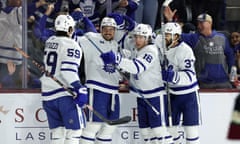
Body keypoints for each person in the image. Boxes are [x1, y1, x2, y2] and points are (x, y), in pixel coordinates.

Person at [100, 23, 173, 144]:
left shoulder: (151, 51)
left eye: (141, 37)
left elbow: (137, 67)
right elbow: (128, 57)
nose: (138, 40)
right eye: (136, 37)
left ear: (148, 38)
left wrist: (117, 59)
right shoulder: (135, 49)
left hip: (154, 96)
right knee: (145, 131)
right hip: (141, 96)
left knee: (159, 131)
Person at [40, 14, 88, 144]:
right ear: (71, 30)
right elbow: (68, 71)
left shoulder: (50, 41)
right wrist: (79, 88)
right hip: (64, 95)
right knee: (74, 132)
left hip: (47, 94)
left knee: (58, 133)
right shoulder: (72, 45)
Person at [164, 7, 235, 89]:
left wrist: (233, 72)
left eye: (202, 23)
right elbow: (175, 36)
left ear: (210, 23)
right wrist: (170, 21)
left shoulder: (222, 38)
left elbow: (230, 57)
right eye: (198, 23)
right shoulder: (194, 38)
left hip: (223, 82)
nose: (199, 26)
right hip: (203, 83)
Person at [76, 17, 121, 144]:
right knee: (92, 127)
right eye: (105, 29)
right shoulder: (91, 39)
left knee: (110, 127)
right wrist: (76, 22)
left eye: (111, 29)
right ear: (100, 29)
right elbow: (73, 38)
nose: (108, 32)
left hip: (113, 92)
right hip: (97, 90)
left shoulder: (116, 44)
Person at [155, 22, 201, 144]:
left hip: (188, 95)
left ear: (176, 36)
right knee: (171, 131)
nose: (165, 37)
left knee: (191, 132)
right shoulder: (161, 42)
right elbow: (150, 36)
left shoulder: (185, 50)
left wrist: (173, 76)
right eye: (164, 34)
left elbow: (190, 75)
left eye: (168, 35)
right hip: (171, 94)